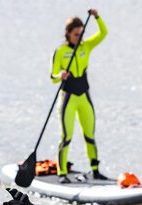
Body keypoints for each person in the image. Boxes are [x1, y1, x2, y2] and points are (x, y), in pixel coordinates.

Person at [50, 8, 108, 183]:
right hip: (68, 99)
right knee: (66, 137)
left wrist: (97, 17)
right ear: (68, 34)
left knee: (90, 135)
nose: (79, 37)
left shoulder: (86, 46)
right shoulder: (60, 52)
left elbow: (103, 33)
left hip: (84, 97)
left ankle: (95, 170)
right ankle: (62, 173)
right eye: (76, 34)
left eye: (81, 33)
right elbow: (52, 76)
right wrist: (60, 75)